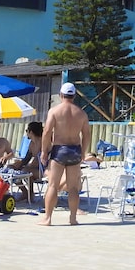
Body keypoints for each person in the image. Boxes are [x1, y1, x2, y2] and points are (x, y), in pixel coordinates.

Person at [39, 82, 91, 226]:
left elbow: (47, 131)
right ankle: (73, 218)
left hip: (59, 149)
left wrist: (44, 151)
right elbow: (87, 134)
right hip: (75, 149)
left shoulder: (54, 111)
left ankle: (48, 218)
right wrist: (83, 152)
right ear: (74, 96)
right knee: (73, 188)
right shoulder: (81, 113)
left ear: (61, 95)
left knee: (53, 186)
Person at [4, 121, 43, 200]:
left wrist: (25, 166)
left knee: (25, 171)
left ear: (31, 132)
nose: (26, 133)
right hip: (34, 168)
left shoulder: (42, 142)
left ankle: (30, 194)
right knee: (11, 170)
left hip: (43, 170)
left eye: (26, 131)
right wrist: (16, 166)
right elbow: (26, 159)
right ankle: (25, 192)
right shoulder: (31, 144)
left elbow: (41, 160)